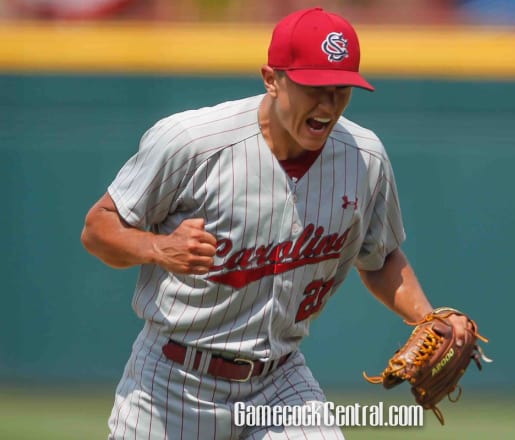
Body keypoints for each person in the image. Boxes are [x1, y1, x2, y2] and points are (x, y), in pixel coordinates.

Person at [81, 6, 471, 440]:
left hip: (279, 383)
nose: (328, 104)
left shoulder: (364, 157)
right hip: (172, 383)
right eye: (313, 87)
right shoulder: (192, 142)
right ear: (272, 78)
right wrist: (157, 249)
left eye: (341, 89)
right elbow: (99, 226)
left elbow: (378, 258)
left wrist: (427, 317)